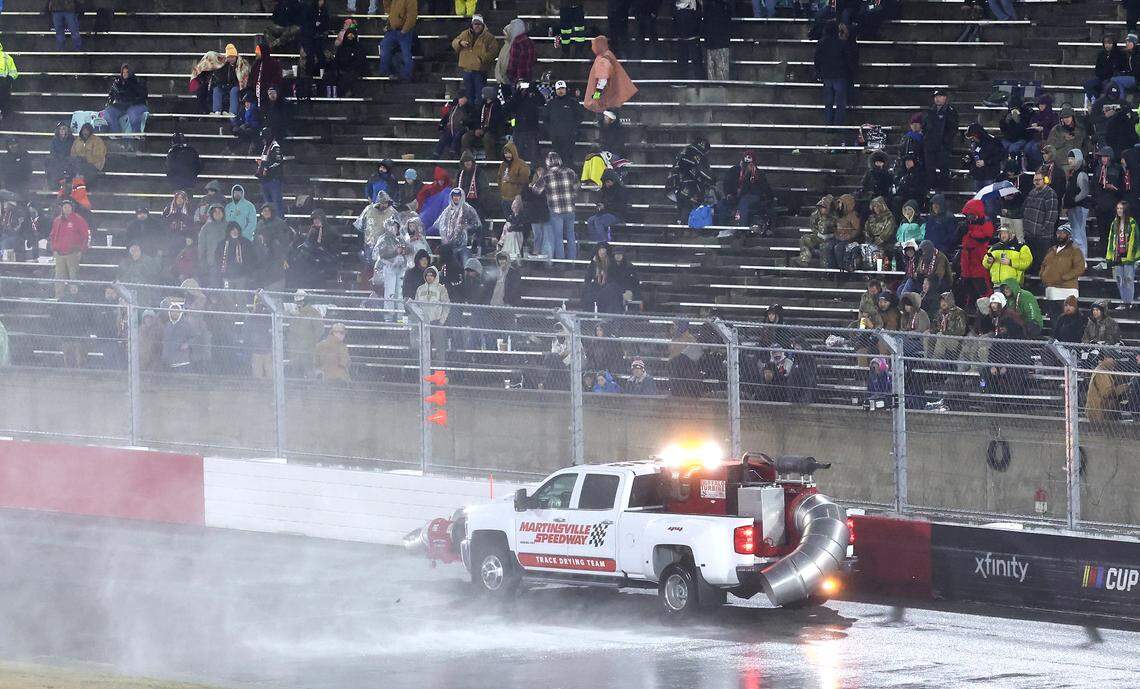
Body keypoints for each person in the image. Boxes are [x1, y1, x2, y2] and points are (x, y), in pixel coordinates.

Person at [531, 152, 580, 262]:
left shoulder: (546, 176)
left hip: (555, 211)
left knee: (558, 237)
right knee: (571, 236)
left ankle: (561, 262)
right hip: (570, 209)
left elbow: (536, 190)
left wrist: (539, 177)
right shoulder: (570, 171)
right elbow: (577, 186)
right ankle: (572, 261)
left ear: (548, 163)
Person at [716, 150, 773, 234]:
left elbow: (763, 189)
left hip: (752, 197)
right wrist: (729, 194)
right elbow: (727, 184)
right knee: (721, 204)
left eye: (749, 163)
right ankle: (722, 229)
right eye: (744, 162)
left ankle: (742, 229)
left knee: (744, 202)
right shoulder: (734, 170)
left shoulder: (758, 173)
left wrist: (751, 175)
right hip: (736, 196)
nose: (746, 165)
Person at [432, 188, 481, 285]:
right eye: (454, 196)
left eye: (458, 196)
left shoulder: (467, 208)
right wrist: (445, 235)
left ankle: (467, 285)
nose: (456, 198)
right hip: (450, 246)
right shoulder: (447, 210)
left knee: (466, 266)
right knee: (448, 267)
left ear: (461, 196)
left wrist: (466, 227)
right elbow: (439, 224)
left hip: (463, 245)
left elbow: (476, 224)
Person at [1039, 224, 1086, 319]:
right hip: (1051, 291)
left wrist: (1064, 277)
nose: (1059, 236)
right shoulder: (1051, 250)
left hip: (1067, 290)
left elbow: (1080, 268)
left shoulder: (1075, 250)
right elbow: (1044, 265)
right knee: (1054, 320)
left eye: (1063, 233)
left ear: (1069, 236)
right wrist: (1042, 275)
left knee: (1067, 320)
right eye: (1058, 233)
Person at [584, 35, 638, 114]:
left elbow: (603, 79)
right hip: (612, 94)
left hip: (605, 97)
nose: (592, 48)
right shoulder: (608, 54)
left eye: (594, 45)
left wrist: (597, 95)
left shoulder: (603, 59)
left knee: (605, 118)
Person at [452, 15, 499, 105]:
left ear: (483, 25)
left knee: (480, 96)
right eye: (475, 24)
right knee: (469, 95)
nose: (477, 26)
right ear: (472, 25)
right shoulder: (465, 34)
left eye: (479, 24)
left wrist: (482, 58)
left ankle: (478, 114)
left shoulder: (489, 37)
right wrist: (460, 43)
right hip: (467, 70)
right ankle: (470, 115)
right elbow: (454, 42)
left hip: (480, 71)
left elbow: (494, 51)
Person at [666, 137, 714, 224]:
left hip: (672, 184)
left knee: (683, 204)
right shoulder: (698, 154)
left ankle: (680, 225)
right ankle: (687, 227)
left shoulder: (685, 150)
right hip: (685, 185)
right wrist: (712, 181)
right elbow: (704, 172)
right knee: (689, 204)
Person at [814, 24, 854, 126]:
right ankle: (838, 124)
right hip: (840, 75)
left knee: (828, 102)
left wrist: (818, 72)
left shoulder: (821, 43)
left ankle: (828, 123)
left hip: (827, 75)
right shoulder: (842, 43)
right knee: (840, 103)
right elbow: (848, 59)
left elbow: (817, 59)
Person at [542, 80, 588, 168]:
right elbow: (545, 118)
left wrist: (573, 128)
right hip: (556, 137)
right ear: (555, 90)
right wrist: (551, 130)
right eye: (559, 89)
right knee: (557, 158)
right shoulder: (551, 103)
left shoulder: (573, 103)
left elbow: (580, 116)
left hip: (569, 136)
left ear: (566, 89)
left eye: (562, 88)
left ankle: (569, 175)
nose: (560, 91)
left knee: (568, 158)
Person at [49, 200, 89, 300]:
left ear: (72, 208)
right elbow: (53, 235)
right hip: (59, 253)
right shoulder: (57, 220)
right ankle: (58, 297)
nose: (66, 209)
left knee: (73, 277)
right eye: (64, 207)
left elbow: (85, 236)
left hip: (73, 253)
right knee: (59, 277)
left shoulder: (78, 220)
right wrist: (54, 249)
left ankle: (74, 298)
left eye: (68, 207)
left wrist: (81, 250)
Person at [1021, 170, 1059, 274]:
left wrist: (1043, 230)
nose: (1036, 182)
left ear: (1044, 180)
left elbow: (1052, 215)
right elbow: (1026, 209)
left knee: (1044, 260)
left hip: (1043, 236)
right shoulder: (1032, 192)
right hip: (1030, 234)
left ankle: (1045, 281)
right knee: (1033, 261)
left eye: (1038, 180)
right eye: (1034, 180)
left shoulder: (1050, 193)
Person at [959, 198, 994, 310]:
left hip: (978, 258)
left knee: (982, 285)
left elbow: (986, 234)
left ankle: (987, 310)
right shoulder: (966, 225)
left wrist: (970, 232)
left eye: (971, 215)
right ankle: (969, 308)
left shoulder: (986, 222)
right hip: (967, 259)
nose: (969, 218)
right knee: (967, 286)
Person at [922, 90, 959, 190]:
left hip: (943, 145)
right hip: (930, 144)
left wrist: (946, 141)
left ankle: (943, 187)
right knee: (930, 167)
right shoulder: (930, 111)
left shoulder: (950, 111)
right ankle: (931, 185)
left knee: (943, 167)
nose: (937, 98)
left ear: (945, 98)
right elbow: (925, 126)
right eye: (936, 96)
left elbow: (953, 128)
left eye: (940, 96)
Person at [1106, 199, 1139, 309]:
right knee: (1119, 280)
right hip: (1117, 257)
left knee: (1128, 280)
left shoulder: (1132, 222)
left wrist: (1131, 256)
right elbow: (1111, 240)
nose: (1119, 210)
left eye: (1121, 208)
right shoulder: (1114, 223)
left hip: (1129, 258)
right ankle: (1123, 301)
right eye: (1118, 208)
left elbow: (1135, 240)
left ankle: (1128, 303)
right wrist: (1109, 256)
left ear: (1126, 210)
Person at [461, 86, 506, 160]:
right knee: (465, 137)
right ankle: (467, 159)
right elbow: (476, 118)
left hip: (492, 131)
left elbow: (495, 122)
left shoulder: (497, 106)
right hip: (479, 129)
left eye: (483, 93)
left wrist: (484, 130)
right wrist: (476, 129)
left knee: (487, 138)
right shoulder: (481, 105)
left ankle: (490, 160)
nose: (481, 95)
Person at [586, 170, 630, 244]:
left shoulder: (621, 190)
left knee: (598, 221)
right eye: (606, 182)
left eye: (608, 182)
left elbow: (621, 206)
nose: (607, 184)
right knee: (590, 221)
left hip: (617, 214)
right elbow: (601, 200)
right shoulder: (604, 189)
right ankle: (595, 242)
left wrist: (605, 206)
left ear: (613, 181)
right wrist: (599, 204)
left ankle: (603, 245)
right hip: (605, 212)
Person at [982, 225, 1032, 290]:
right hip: (997, 285)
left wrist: (1011, 262)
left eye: (1005, 233)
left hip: (1013, 285)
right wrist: (988, 261)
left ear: (1012, 234)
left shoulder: (1021, 247)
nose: (1003, 235)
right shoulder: (994, 248)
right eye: (1001, 233)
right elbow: (985, 264)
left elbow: (1027, 263)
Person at [104, 64, 149, 135]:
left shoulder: (136, 82)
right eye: (123, 72)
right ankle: (116, 133)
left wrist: (132, 102)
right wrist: (110, 102)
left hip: (133, 105)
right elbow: (111, 95)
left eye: (127, 72)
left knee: (133, 113)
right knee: (109, 112)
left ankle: (136, 134)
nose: (125, 74)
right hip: (120, 106)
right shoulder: (117, 83)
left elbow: (142, 95)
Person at [1063, 148, 1091, 258]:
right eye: (1069, 158)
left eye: (1072, 158)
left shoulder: (1081, 174)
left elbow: (1084, 191)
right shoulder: (1073, 173)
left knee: (1079, 233)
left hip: (1079, 208)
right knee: (1075, 233)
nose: (1070, 161)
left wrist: (1074, 200)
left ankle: (1082, 258)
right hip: (1073, 207)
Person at [794, 195, 836, 268]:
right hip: (819, 237)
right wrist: (818, 233)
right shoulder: (815, 215)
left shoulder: (837, 214)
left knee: (825, 247)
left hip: (833, 238)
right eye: (822, 206)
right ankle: (804, 259)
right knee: (805, 239)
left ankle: (826, 268)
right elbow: (813, 226)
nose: (823, 208)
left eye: (825, 206)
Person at [966, 122, 1004, 194]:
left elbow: (1000, 156)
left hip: (990, 175)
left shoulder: (993, 141)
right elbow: (973, 155)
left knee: (990, 200)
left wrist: (986, 162)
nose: (972, 139)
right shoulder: (974, 144)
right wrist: (969, 158)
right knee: (978, 199)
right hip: (977, 175)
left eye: (973, 137)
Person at [1086, 34, 1126, 102]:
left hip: (1112, 79)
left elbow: (1116, 68)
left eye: (1109, 43)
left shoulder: (1119, 54)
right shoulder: (1101, 54)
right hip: (1101, 78)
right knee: (1088, 84)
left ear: (1113, 43)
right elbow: (1097, 69)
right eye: (1105, 43)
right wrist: (1102, 74)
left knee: (1107, 85)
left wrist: (1107, 72)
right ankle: (1094, 101)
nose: (1107, 45)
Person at [255, 128, 285, 218]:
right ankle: (270, 221)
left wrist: (267, 168)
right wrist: (261, 167)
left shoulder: (275, 147)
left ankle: (280, 222)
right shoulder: (266, 147)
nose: (263, 140)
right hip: (265, 180)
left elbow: (278, 161)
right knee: (267, 204)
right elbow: (265, 161)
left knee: (276, 203)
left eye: (264, 138)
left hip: (273, 180)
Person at [216, 222, 255, 289]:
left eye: (236, 229)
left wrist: (249, 273)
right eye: (232, 230)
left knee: (240, 295)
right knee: (227, 295)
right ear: (228, 231)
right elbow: (217, 258)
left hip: (242, 276)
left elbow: (251, 259)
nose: (235, 231)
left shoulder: (246, 243)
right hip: (227, 276)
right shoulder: (222, 244)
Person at [196, 203, 228, 286]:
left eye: (219, 212)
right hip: (211, 259)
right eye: (215, 212)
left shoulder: (228, 226)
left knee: (226, 282)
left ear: (223, 213)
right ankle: (214, 298)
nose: (217, 213)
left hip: (226, 260)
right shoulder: (206, 227)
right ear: (211, 214)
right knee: (213, 281)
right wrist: (201, 257)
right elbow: (201, 243)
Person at [331, 26, 367, 98]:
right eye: (349, 34)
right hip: (342, 69)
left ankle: (345, 93)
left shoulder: (359, 48)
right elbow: (337, 60)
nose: (350, 36)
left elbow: (361, 61)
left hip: (354, 70)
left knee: (349, 75)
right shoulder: (341, 48)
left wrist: (349, 67)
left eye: (352, 34)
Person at [250, 40, 284, 109]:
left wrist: (270, 88)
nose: (256, 53)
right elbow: (251, 79)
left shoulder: (274, 64)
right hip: (255, 94)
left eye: (258, 51)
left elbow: (277, 79)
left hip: (267, 94)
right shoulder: (255, 64)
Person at [673, 0, 701, 79]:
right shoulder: (676, 6)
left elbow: (698, 18)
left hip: (693, 35)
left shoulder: (696, 5)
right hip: (681, 35)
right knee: (682, 59)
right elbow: (675, 19)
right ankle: (681, 80)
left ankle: (697, 80)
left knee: (696, 59)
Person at [0, 41, 17, 123]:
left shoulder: (7, 57)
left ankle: (6, 120)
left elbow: (14, 72)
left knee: (5, 104)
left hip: (3, 84)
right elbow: (14, 73)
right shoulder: (7, 57)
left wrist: (8, 80)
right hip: (4, 84)